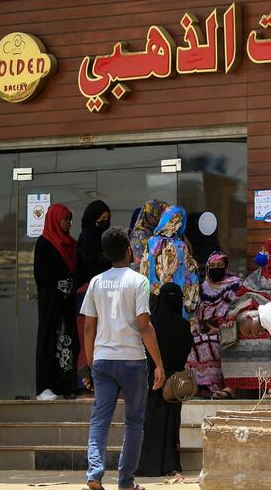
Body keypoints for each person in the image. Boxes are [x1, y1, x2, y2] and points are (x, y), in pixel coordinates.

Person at [81, 227, 166, 490]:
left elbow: (88, 327)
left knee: (100, 419)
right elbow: (144, 325)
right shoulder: (139, 281)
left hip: (103, 359)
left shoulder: (96, 282)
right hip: (132, 360)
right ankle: (126, 482)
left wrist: (91, 361)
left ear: (107, 254)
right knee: (134, 422)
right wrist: (159, 364)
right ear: (129, 250)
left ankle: (94, 474)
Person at [136, 282, 193, 478]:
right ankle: (170, 464)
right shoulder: (183, 325)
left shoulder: (151, 325)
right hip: (175, 382)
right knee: (171, 422)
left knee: (151, 421)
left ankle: (148, 464)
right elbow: (186, 349)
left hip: (152, 378)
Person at [219, 239, 271, 399]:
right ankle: (231, 386)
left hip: (268, 321)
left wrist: (261, 305)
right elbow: (241, 295)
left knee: (269, 339)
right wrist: (236, 314)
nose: (262, 254)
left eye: (266, 251)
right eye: (261, 249)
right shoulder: (255, 276)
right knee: (231, 333)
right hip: (248, 317)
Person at [33, 203, 79, 401]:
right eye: (65, 218)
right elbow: (41, 275)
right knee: (49, 340)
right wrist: (59, 285)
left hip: (67, 304)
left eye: (70, 219)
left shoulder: (72, 244)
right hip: (51, 303)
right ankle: (45, 387)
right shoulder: (44, 243)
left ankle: (65, 384)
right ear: (55, 219)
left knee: (68, 341)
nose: (68, 222)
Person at [185, 251, 242, 398]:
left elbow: (237, 311)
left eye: (219, 265)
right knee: (193, 342)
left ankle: (216, 388)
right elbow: (197, 312)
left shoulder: (236, 285)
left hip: (225, 331)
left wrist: (218, 329)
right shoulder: (203, 287)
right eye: (213, 265)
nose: (216, 268)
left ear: (226, 267)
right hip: (203, 330)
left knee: (210, 343)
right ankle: (197, 387)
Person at [140, 205, 200, 318]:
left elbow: (144, 269)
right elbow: (190, 273)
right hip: (175, 301)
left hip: (153, 301)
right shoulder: (180, 246)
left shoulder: (151, 241)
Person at [75, 200, 112, 381]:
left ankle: (94, 377)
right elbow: (90, 263)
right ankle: (86, 379)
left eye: (107, 219)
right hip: (87, 292)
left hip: (97, 292)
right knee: (88, 336)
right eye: (101, 218)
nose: (104, 222)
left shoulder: (99, 238)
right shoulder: (88, 237)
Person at [130, 199, 169, 270]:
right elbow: (141, 264)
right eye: (163, 215)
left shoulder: (155, 231)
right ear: (153, 216)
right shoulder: (140, 236)